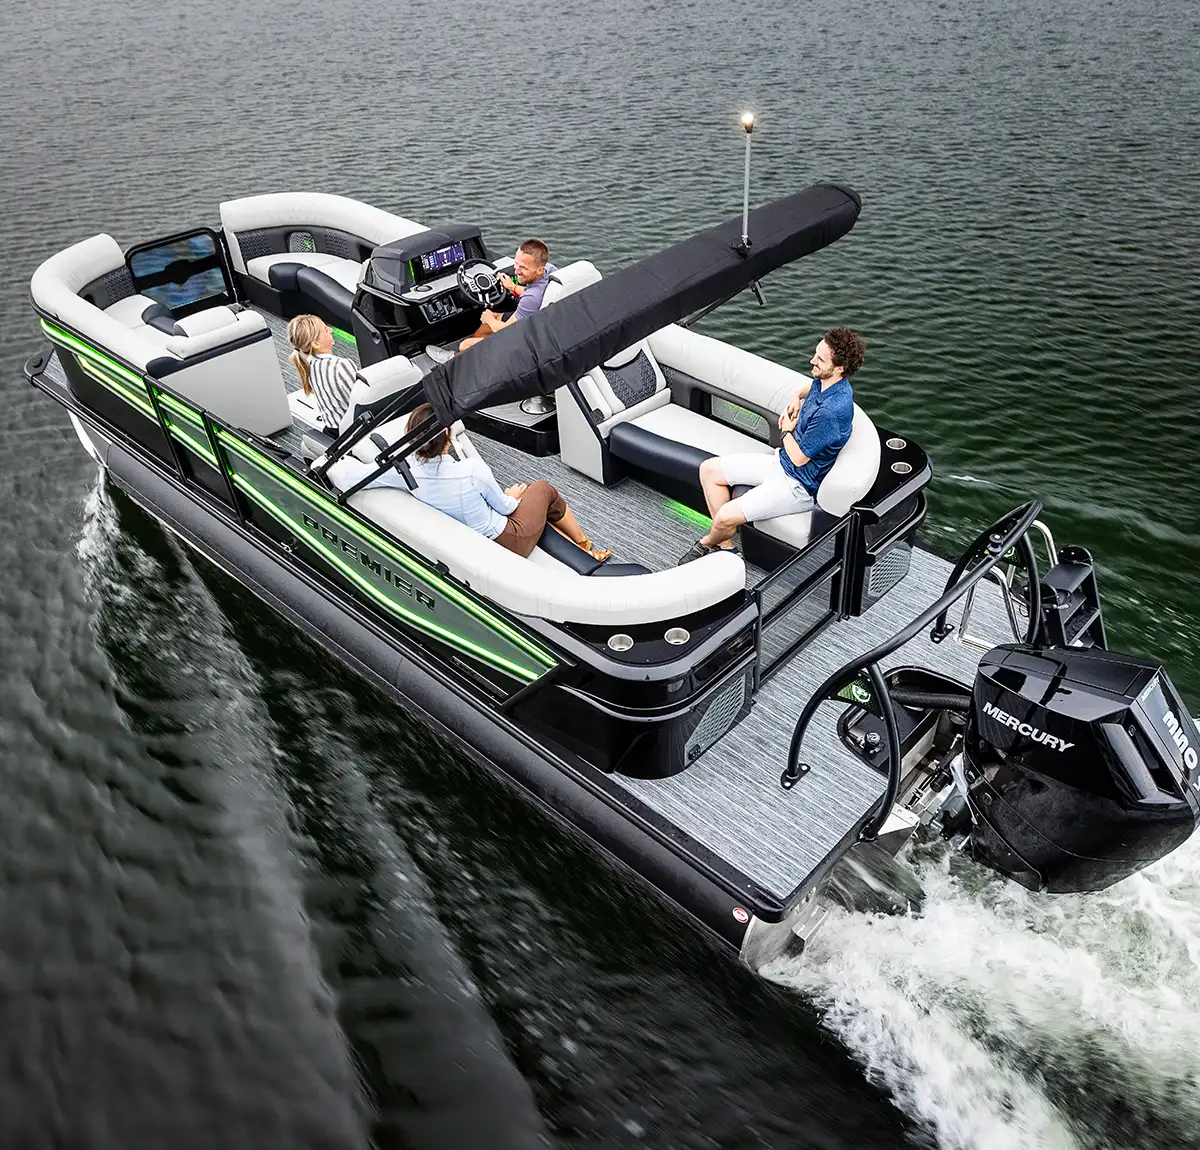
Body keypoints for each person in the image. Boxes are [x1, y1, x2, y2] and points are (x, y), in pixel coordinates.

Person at [677, 328, 865, 564]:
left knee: (724, 517)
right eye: (816, 354)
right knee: (709, 470)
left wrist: (785, 428)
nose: (812, 361)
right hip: (781, 463)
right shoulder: (826, 381)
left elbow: (799, 459)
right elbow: (810, 387)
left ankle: (706, 543)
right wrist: (797, 396)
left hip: (798, 485)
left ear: (840, 368)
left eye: (820, 359)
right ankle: (727, 548)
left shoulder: (830, 412)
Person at [400, 404, 610, 560]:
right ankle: (585, 545)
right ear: (447, 433)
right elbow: (506, 507)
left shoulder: (405, 470)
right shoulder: (471, 471)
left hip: (469, 539)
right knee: (542, 489)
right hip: (507, 540)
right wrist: (512, 496)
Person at [425, 239, 557, 362]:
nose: (516, 270)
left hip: (526, 342)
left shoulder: (530, 299)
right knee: (488, 324)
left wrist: (488, 317)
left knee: (464, 345)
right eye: (516, 263)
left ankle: (455, 359)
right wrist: (512, 287)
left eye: (524, 268)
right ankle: (476, 357)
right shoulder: (549, 270)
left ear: (540, 270)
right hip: (539, 326)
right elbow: (537, 294)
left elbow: (508, 330)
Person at [287, 314, 358, 433]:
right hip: (351, 430)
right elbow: (360, 401)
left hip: (331, 429)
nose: (331, 330)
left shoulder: (308, 365)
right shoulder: (341, 365)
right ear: (316, 344)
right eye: (326, 330)